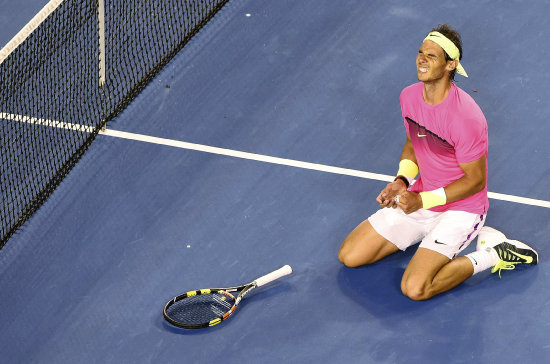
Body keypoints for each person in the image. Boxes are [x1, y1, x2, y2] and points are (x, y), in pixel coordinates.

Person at [338, 24, 538, 301]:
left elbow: (475, 181)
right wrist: (402, 180)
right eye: (420, 53)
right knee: (350, 255)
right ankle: (426, 239)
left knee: (416, 288)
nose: (421, 59)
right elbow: (412, 144)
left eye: (431, 56)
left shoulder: (466, 118)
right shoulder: (409, 97)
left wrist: (422, 202)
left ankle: (495, 252)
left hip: (462, 209)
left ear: (450, 64)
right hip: (421, 197)